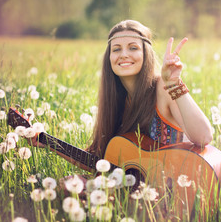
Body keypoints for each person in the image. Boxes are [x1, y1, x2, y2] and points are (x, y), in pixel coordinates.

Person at [87, 20, 213, 157]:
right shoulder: (115, 100)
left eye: (133, 48)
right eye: (116, 49)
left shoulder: (162, 88)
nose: (123, 54)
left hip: (180, 175)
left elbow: (204, 137)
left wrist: (174, 84)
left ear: (146, 54)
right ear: (109, 58)